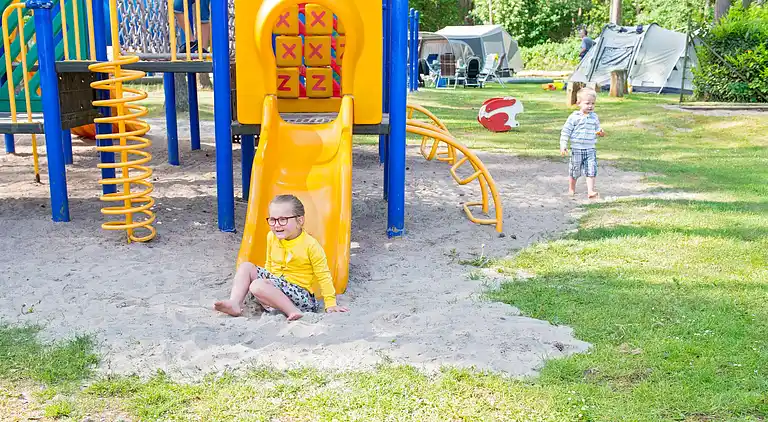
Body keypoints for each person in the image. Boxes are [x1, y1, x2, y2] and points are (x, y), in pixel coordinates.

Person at [214, 194, 349, 320]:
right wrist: (267, 286)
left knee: (256, 286)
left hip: (300, 295)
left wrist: (330, 304)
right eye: (273, 220)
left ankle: (293, 311)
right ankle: (235, 303)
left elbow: (323, 276)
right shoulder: (271, 237)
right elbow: (269, 265)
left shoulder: (311, 245)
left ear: (300, 220)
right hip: (277, 284)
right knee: (246, 267)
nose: (277, 225)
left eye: (283, 220)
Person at [560, 87, 605, 199]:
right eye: (587, 103)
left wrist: (600, 132)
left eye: (593, 103)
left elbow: (597, 129)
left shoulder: (594, 117)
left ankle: (591, 191)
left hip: (590, 149)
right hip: (577, 149)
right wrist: (563, 145)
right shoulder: (574, 117)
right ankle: (571, 189)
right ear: (578, 103)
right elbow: (566, 131)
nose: (590, 106)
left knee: (591, 169)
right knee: (575, 170)